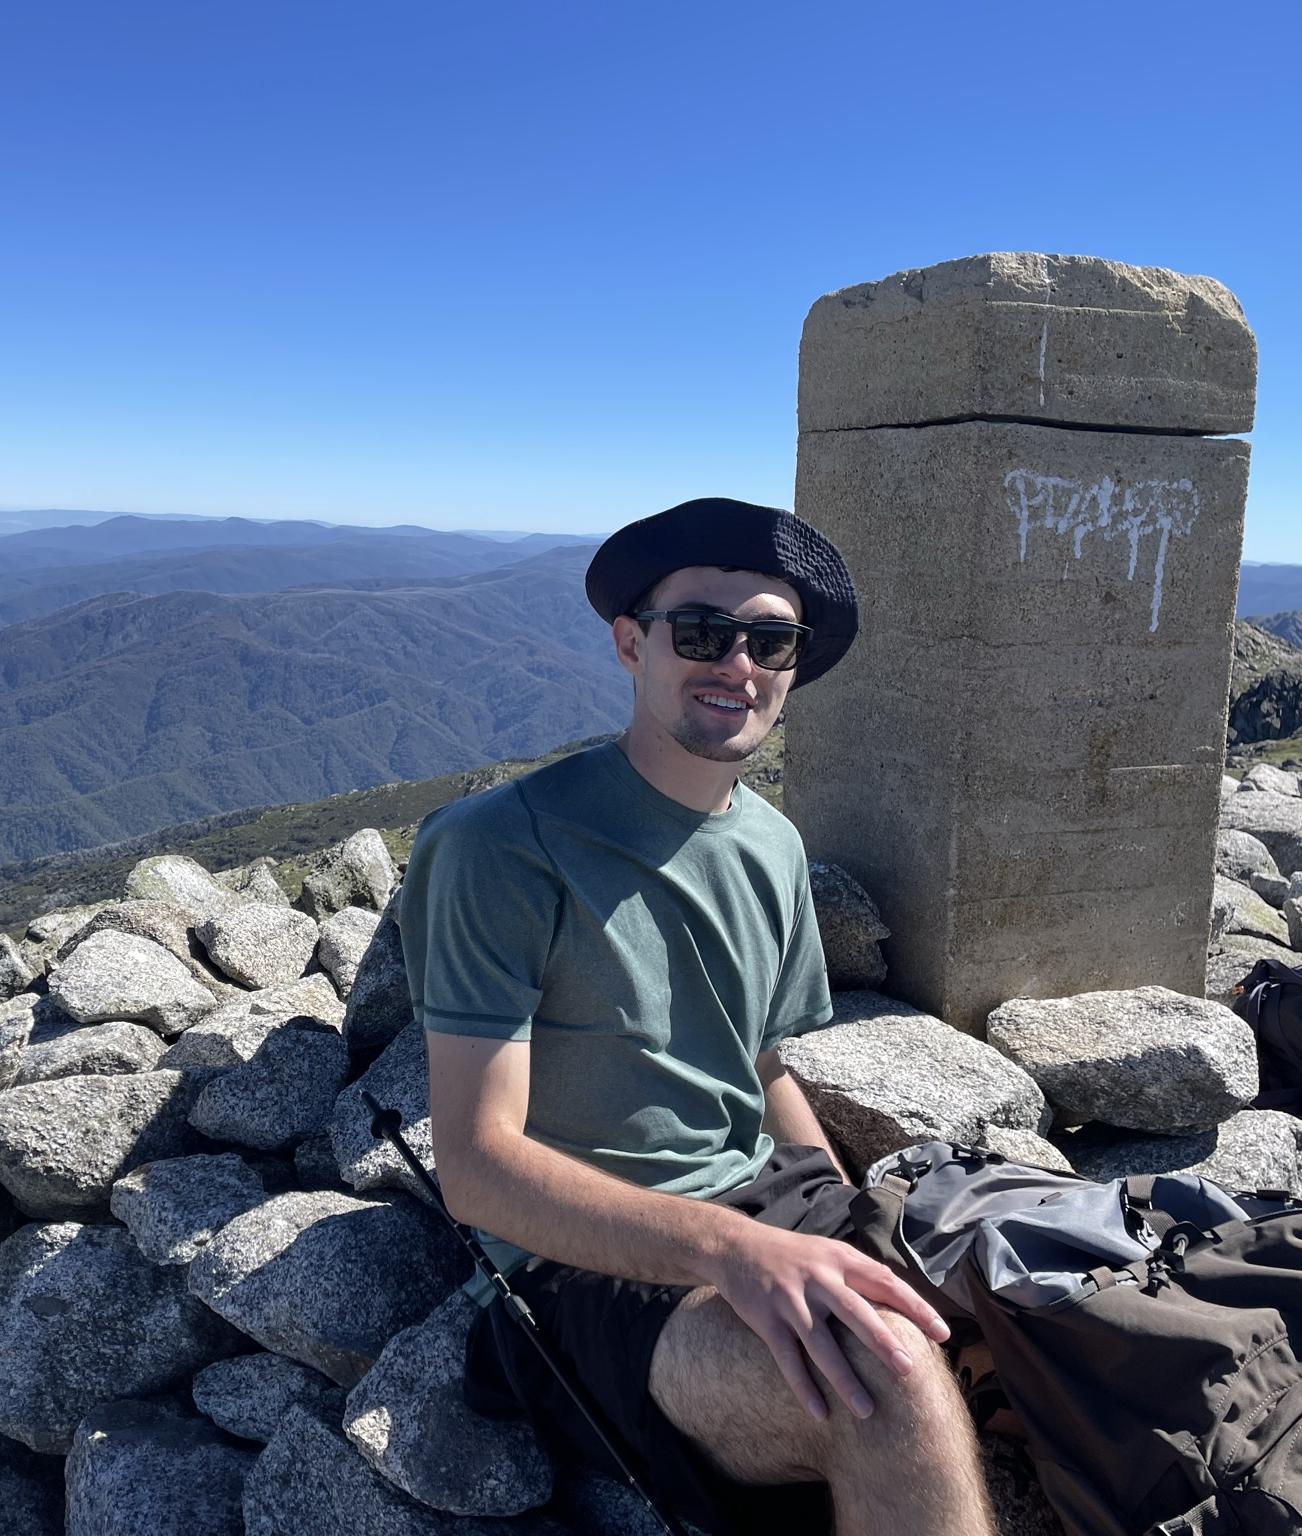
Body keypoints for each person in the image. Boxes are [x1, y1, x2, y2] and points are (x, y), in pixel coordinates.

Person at [396, 498, 994, 1536]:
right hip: (583, 1271)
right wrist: (726, 1252)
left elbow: (758, 1065)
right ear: (630, 643)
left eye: (769, 640)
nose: (738, 663)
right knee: (885, 1372)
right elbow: (477, 1167)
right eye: (700, 632)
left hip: (768, 1205)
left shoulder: (768, 845)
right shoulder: (498, 847)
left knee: (1048, 1302)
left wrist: (839, 1212)